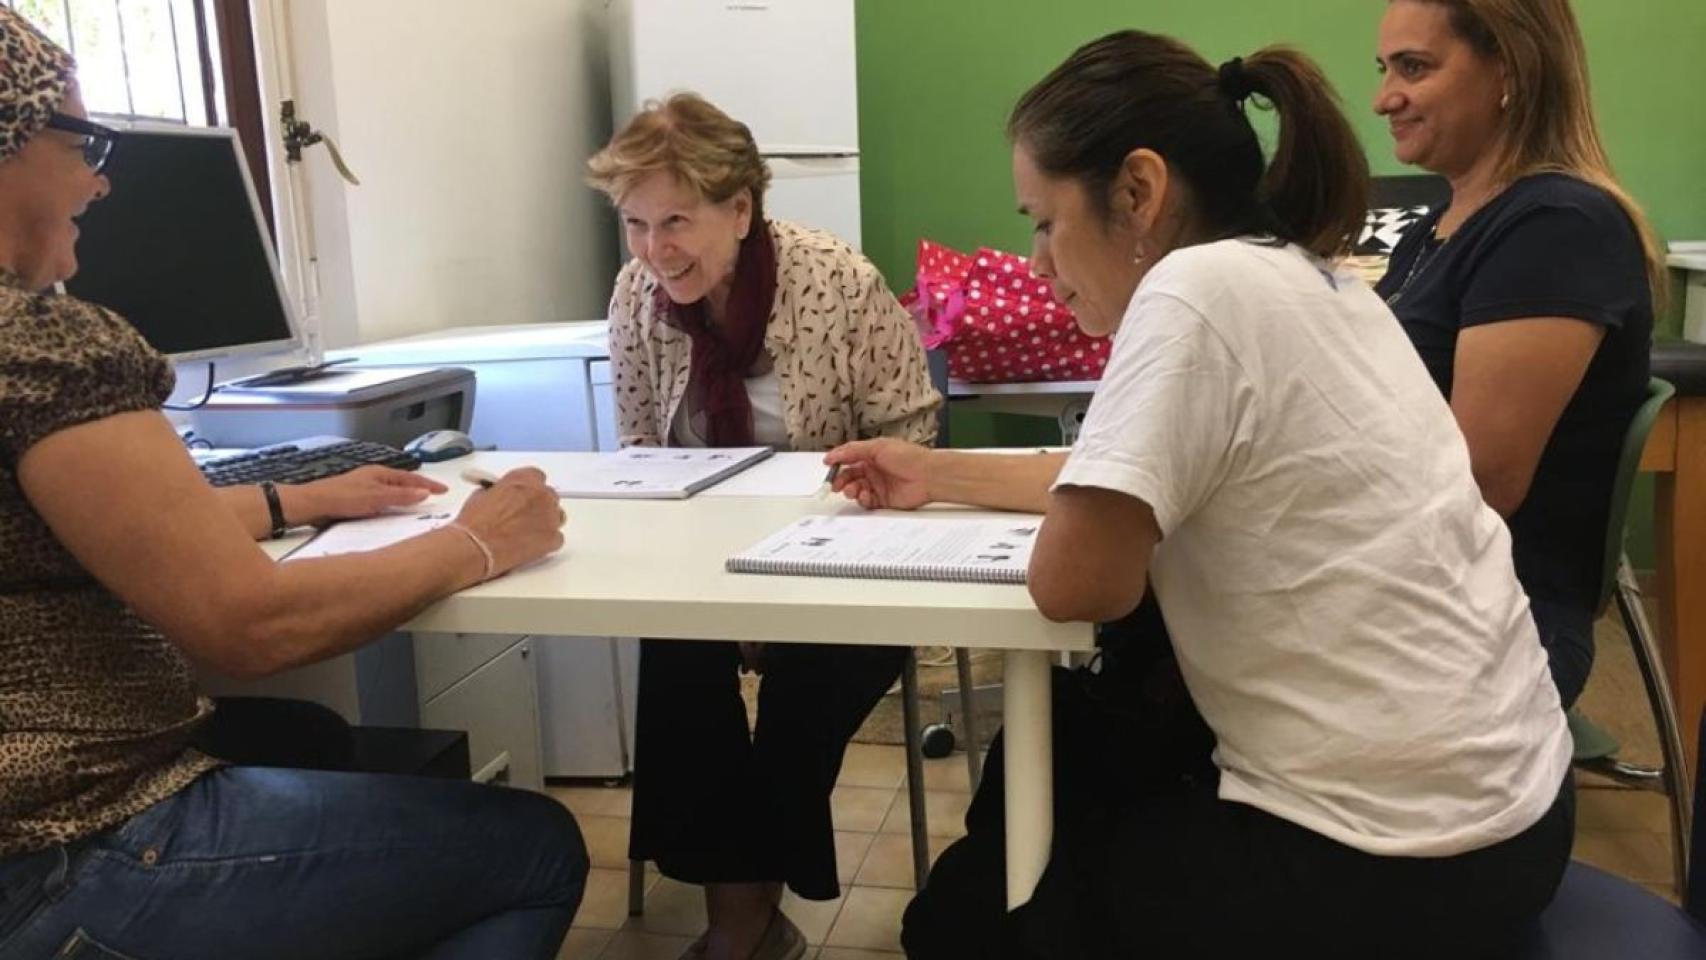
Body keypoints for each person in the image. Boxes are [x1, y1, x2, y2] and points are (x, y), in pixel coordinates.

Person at [825, 30, 1572, 960]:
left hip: (1393, 857)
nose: (1040, 261)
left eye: (1046, 221)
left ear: (1138, 191)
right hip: (1518, 812)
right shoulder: (1313, 278)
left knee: (1013, 888)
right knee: (1070, 757)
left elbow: (1078, 584)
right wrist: (935, 472)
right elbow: (1147, 478)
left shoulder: (1191, 290)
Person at [0, 12, 586, 959]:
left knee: (307, 736)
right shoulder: (41, 349)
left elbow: (89, 529)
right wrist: (482, 541)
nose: (98, 178)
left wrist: (292, 499)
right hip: (57, 853)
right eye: (83, 143)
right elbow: (250, 626)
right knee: (533, 847)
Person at [585, 93, 940, 960]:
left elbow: (913, 433)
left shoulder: (838, 282)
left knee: (803, 684)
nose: (653, 251)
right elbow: (640, 451)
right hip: (706, 563)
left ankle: (737, 926)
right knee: (675, 654)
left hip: (840, 555)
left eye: (675, 220)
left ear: (740, 209)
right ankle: (747, 917)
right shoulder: (636, 298)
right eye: (634, 224)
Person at [1373, 0, 1660, 707]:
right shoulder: (1431, 234)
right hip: (1417, 592)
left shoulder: (1556, 227)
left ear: (1512, 67)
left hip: (1495, 619)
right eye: (1384, 70)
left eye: (1414, 67)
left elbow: (1483, 478)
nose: (1384, 98)